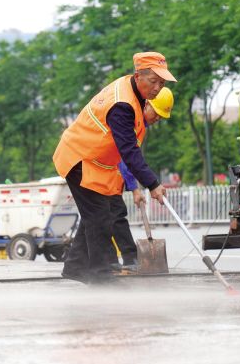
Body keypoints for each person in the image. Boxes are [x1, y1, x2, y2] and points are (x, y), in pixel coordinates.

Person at [53, 52, 176, 284]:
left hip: (94, 161)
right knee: (99, 216)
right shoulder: (122, 105)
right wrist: (153, 184)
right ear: (138, 76)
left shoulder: (133, 93)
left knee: (100, 214)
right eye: (154, 81)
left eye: (162, 83)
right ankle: (100, 276)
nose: (158, 88)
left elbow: (124, 150)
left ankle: (75, 267)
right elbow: (129, 150)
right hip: (79, 157)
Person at [109, 87, 175, 272]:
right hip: (106, 175)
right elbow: (124, 158)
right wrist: (135, 188)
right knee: (114, 214)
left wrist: (134, 187)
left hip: (112, 177)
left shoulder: (140, 126)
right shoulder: (130, 119)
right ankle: (129, 260)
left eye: (162, 116)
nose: (158, 119)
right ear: (147, 104)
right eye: (157, 113)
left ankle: (92, 263)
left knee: (98, 218)